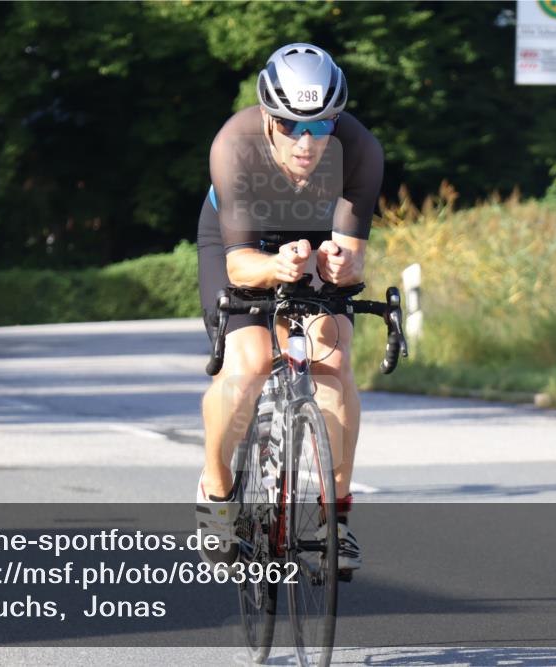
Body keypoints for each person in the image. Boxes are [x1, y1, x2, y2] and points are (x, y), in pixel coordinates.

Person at [196, 43, 383, 572]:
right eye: (290, 125)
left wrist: (339, 268)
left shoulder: (360, 149)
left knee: (335, 360)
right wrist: (277, 267)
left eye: (321, 126)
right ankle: (215, 490)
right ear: (267, 116)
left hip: (312, 237)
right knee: (250, 363)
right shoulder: (234, 143)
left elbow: (353, 261)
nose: (306, 141)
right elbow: (239, 268)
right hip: (240, 243)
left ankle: (335, 519)